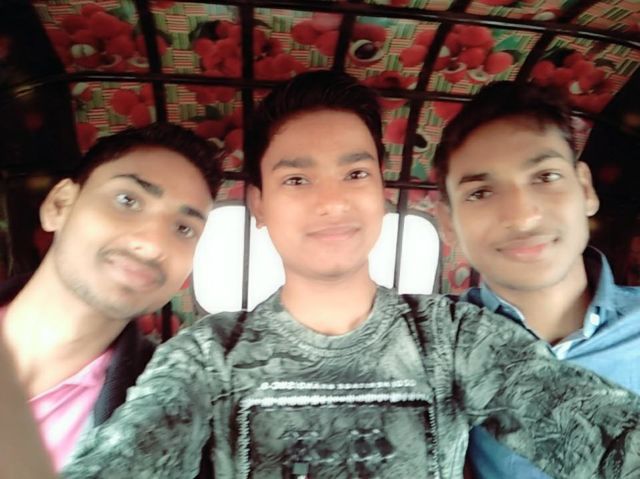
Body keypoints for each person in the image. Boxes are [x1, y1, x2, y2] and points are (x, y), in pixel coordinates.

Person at [63, 71, 640, 479]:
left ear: (381, 193)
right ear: (258, 204)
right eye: (297, 179)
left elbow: (605, 434)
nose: (332, 202)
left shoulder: (456, 337)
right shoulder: (207, 356)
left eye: (355, 173)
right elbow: (129, 453)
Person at [434, 81, 640, 478]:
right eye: (480, 193)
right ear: (449, 222)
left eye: (545, 176)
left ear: (584, 188)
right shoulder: (434, 346)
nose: (522, 216)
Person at [0, 123, 222, 471]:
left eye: (184, 229)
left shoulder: (174, 415)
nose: (153, 245)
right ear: (59, 204)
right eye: (128, 200)